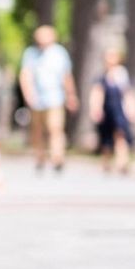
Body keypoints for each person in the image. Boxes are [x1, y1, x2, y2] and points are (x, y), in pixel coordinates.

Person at [18, 25, 78, 172]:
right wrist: (28, 94)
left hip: (55, 97)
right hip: (37, 98)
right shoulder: (30, 53)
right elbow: (25, 75)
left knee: (55, 128)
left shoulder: (59, 53)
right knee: (37, 130)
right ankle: (40, 157)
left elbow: (66, 76)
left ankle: (58, 157)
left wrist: (71, 95)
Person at [89, 48, 135, 174]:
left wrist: (133, 109)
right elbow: (97, 93)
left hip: (119, 109)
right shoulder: (102, 77)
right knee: (106, 138)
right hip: (107, 110)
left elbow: (128, 93)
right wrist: (96, 108)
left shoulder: (122, 75)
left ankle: (122, 161)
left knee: (121, 135)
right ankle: (106, 161)